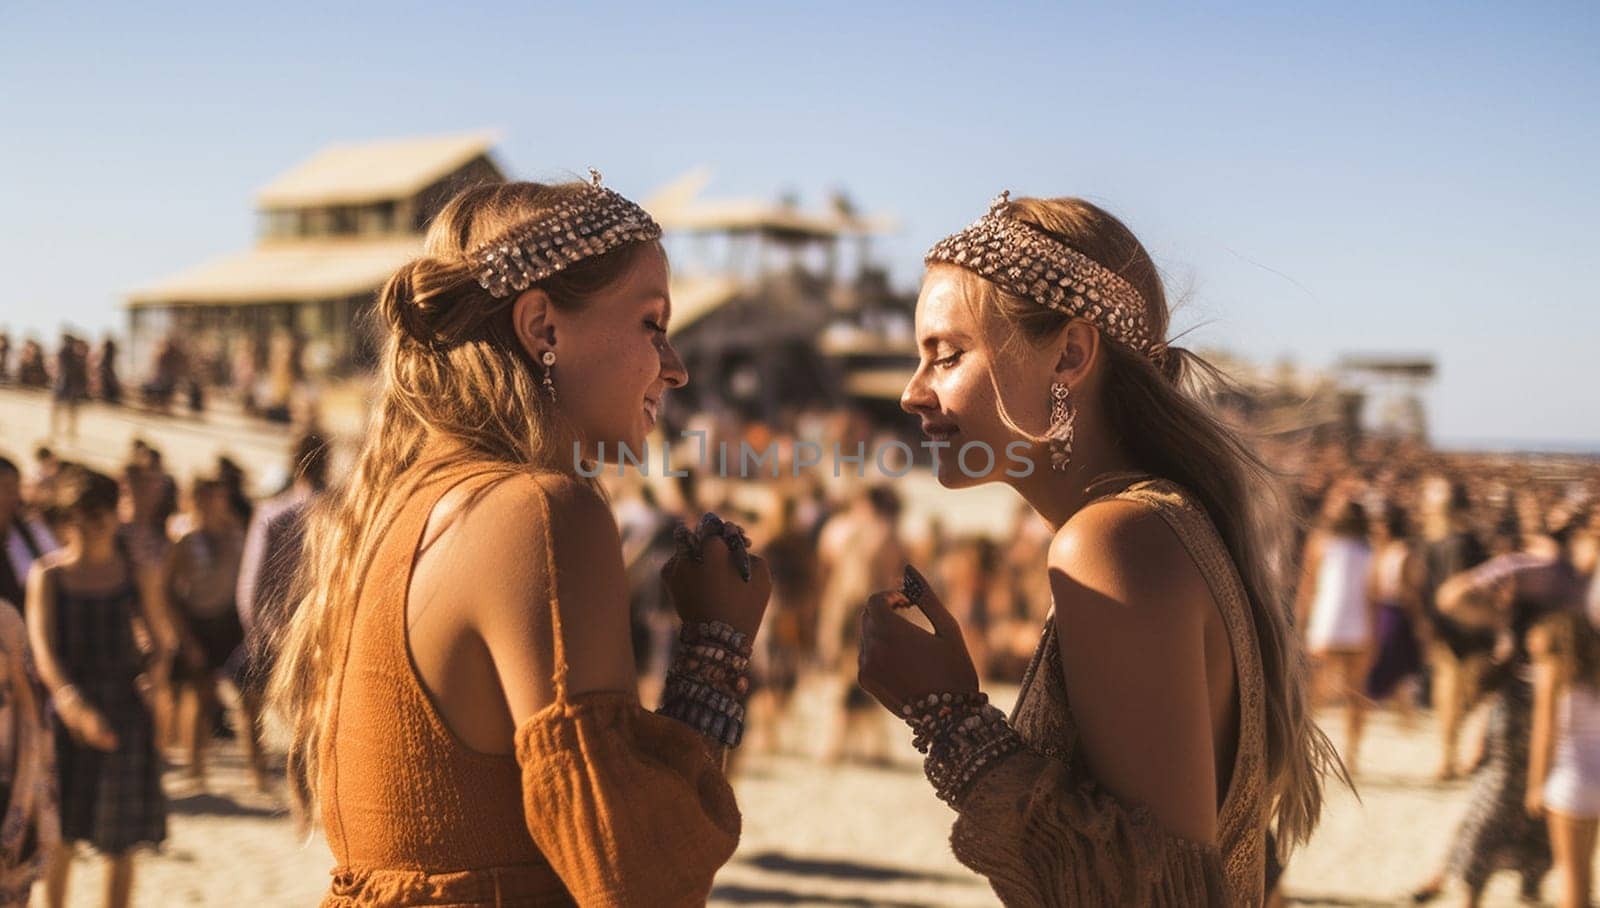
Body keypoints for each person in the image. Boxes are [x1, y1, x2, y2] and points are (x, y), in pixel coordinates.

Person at [269, 176, 773, 906]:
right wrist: (716, 650)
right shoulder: (538, 512)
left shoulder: (400, 506)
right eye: (652, 325)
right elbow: (633, 878)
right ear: (543, 327)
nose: (676, 365)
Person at [860, 192, 1339, 905]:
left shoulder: (1110, 542)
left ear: (1071, 354)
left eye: (947, 356)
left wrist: (948, 717)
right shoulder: (1165, 524)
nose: (912, 393)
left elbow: (1151, 890)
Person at [25, 466, 169, 908]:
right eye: (82, 516)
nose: (93, 524)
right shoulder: (48, 575)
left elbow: (162, 643)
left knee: (119, 842)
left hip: (125, 714)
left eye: (101, 513)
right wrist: (73, 706)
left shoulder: (135, 574)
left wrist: (155, 679)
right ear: (67, 520)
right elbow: (45, 653)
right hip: (66, 718)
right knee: (60, 836)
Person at [233, 433, 329, 788]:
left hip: (276, 631)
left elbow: (250, 586)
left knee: (253, 707)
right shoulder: (342, 509)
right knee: (311, 718)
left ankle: (258, 772)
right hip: (323, 630)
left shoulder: (273, 513)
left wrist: (259, 634)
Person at [163, 477, 245, 787]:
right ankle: (195, 765)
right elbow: (168, 590)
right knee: (196, 694)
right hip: (196, 621)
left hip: (228, 621)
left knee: (234, 695)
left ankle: (252, 768)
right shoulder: (185, 539)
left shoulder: (235, 534)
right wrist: (182, 634)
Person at [1296, 497, 1376, 773]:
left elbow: (1307, 587)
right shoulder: (1369, 547)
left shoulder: (1321, 542)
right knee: (1354, 691)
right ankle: (1351, 755)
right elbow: (1372, 595)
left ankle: (1304, 747)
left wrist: (1301, 620)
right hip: (1356, 622)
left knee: (1318, 689)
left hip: (1328, 621)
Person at [1528, 607, 1600, 908]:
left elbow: (1545, 734)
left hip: (1570, 781)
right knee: (1587, 873)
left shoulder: (1552, 673)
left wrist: (1535, 785)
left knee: (1571, 876)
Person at [0, 456, 60, 617]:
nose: (12, 497)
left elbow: (57, 567)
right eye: (4, 488)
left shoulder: (31, 532)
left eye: (14, 489)